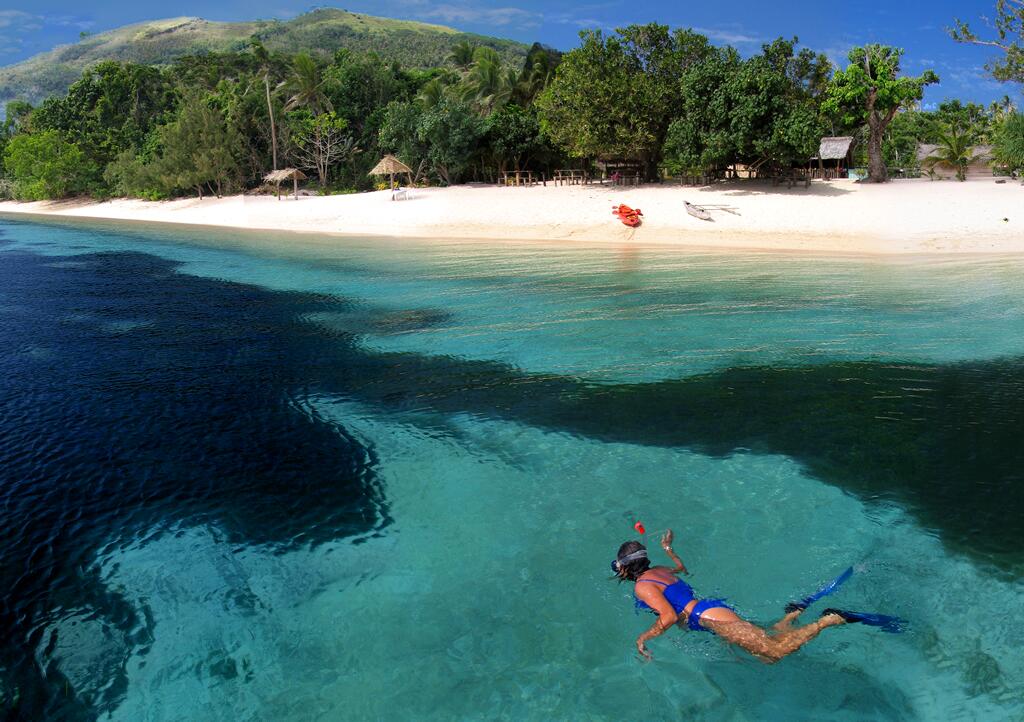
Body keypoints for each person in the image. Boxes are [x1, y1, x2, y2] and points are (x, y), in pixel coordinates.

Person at [613, 531, 887, 663]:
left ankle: (829, 619)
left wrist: (643, 638)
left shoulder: (642, 587)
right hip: (710, 610)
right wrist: (669, 549)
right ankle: (794, 612)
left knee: (774, 653)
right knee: (768, 647)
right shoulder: (658, 570)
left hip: (707, 617)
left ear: (625, 567)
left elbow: (670, 616)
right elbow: (682, 569)